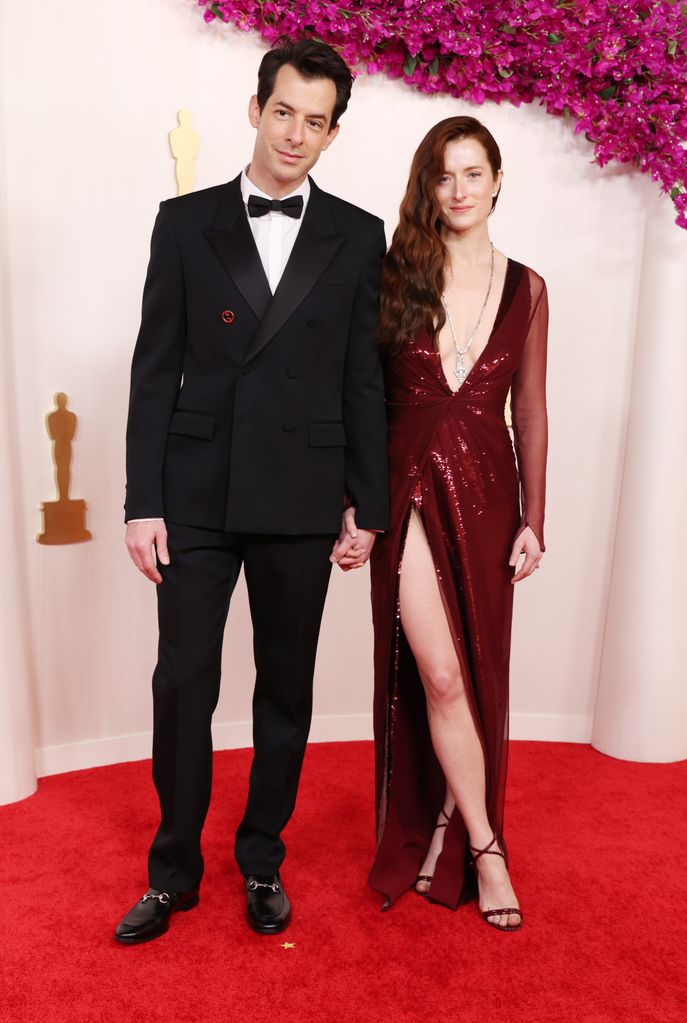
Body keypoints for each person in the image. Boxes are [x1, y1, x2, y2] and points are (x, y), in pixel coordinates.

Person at [115, 37, 388, 944]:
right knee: (183, 683)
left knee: (286, 688)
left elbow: (361, 379)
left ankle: (261, 857)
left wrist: (367, 502)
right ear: (254, 108)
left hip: (303, 495)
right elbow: (153, 372)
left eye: (316, 122)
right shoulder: (183, 221)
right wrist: (140, 501)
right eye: (283, 112)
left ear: (332, 132)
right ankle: (172, 870)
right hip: (192, 492)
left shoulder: (358, 233)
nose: (295, 134)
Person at [368, 116, 548, 931]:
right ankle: (486, 846)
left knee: (476, 671)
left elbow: (532, 410)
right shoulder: (393, 273)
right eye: (444, 176)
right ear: (427, 186)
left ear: (498, 180)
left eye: (473, 173)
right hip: (404, 485)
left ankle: (451, 813)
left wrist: (534, 518)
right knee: (438, 674)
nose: (459, 190)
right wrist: (354, 501)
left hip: (485, 496)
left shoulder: (528, 287)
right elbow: (360, 398)